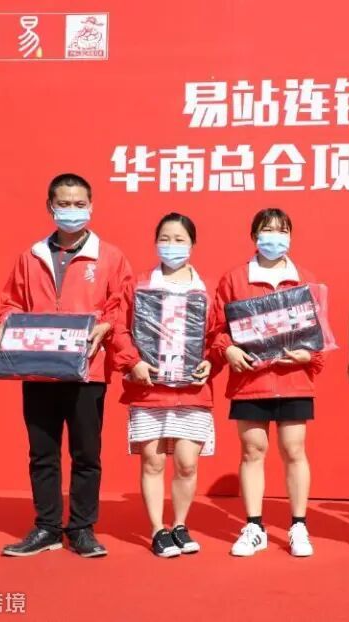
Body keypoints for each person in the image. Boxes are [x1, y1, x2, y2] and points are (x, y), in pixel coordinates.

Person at [0, 173, 133, 558]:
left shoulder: (110, 257)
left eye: (79, 204)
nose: (72, 210)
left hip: (88, 369)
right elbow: (11, 302)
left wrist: (106, 326)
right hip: (38, 367)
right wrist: (3, 325)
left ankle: (83, 528)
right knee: (43, 452)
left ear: (91, 206)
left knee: (86, 453)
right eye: (64, 204)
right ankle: (47, 527)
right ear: (50, 207)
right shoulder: (31, 256)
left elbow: (122, 304)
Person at [210, 208, 323, 559]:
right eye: (267, 230)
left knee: (294, 450)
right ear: (254, 236)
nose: (275, 237)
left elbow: (318, 337)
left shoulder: (304, 279)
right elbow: (217, 329)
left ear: (290, 235)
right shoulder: (234, 279)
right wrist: (228, 350)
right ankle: (254, 527)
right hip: (250, 382)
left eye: (281, 230)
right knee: (252, 451)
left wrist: (308, 356)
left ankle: (299, 525)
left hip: (293, 381)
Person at [109, 213, 221, 558]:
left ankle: (180, 525)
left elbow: (219, 334)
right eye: (165, 239)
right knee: (153, 462)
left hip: (191, 391)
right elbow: (119, 328)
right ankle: (158, 528)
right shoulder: (139, 285)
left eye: (179, 239)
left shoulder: (206, 289)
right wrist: (133, 362)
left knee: (187, 463)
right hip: (150, 389)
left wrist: (211, 361)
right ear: (156, 242)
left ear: (193, 244)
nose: (172, 245)